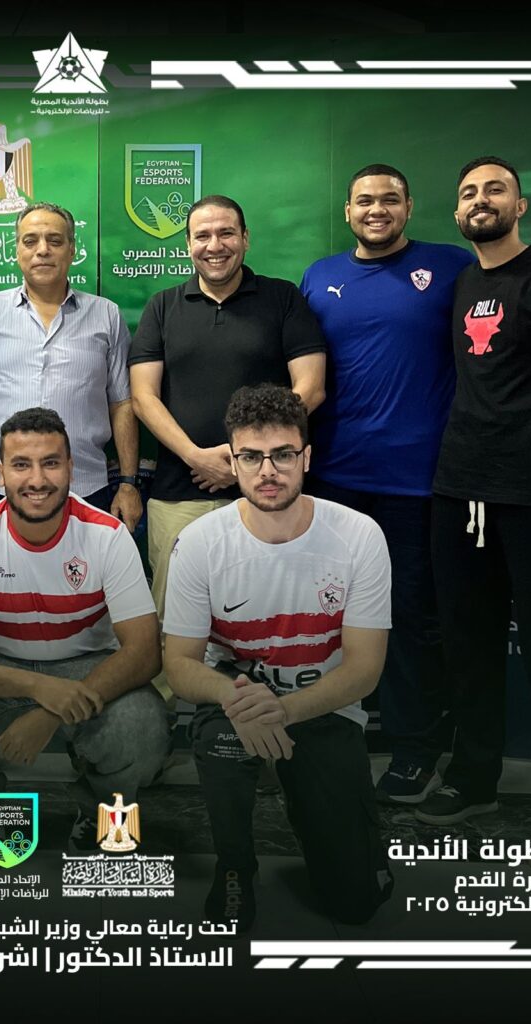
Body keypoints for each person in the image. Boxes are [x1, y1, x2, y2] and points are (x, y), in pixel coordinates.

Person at [164, 384, 394, 928]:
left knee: (354, 905)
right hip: (237, 702)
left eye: (283, 455)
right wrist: (236, 698)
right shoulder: (200, 542)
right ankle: (234, 866)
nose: (268, 471)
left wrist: (284, 710)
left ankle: (325, 823)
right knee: (221, 738)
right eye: (251, 456)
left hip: (322, 707)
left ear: (306, 457)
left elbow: (364, 670)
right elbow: (179, 664)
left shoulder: (359, 536)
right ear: (233, 461)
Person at [0, 407, 171, 868]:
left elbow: (145, 653)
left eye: (50, 463)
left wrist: (51, 710)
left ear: (71, 467)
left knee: (144, 723)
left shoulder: (108, 536)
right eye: (21, 465)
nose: (37, 479)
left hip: (87, 666)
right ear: (0, 473)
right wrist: (38, 688)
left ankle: (98, 811)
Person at [417, 156, 531, 870]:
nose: (480, 200)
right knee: (468, 650)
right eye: (468, 193)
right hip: (459, 492)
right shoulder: (462, 281)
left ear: (521, 205)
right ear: (457, 213)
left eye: (494, 189)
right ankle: (473, 779)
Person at [300, 164, 474, 804]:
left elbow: (511, 283)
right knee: (331, 614)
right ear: (347, 211)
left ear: (409, 207)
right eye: (365, 201)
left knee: (407, 617)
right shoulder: (319, 276)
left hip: (416, 483)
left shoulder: (451, 265)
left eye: (390, 199)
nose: (377, 209)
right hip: (333, 481)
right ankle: (334, 730)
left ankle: (415, 749)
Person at [129, 194, 326, 617]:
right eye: (202, 236)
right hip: (180, 493)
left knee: (272, 615)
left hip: (270, 489)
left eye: (226, 233)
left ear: (245, 238)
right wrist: (196, 456)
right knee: (176, 620)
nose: (214, 245)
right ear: (187, 244)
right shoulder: (162, 306)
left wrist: (245, 459)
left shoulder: (283, 298)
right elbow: (143, 398)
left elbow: (311, 389)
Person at [0, 202, 142, 531]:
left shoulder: (106, 315)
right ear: (17, 251)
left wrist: (128, 483)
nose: (42, 250)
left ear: (72, 250)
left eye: (54, 240)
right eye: (30, 240)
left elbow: (122, 404)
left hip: (84, 488)